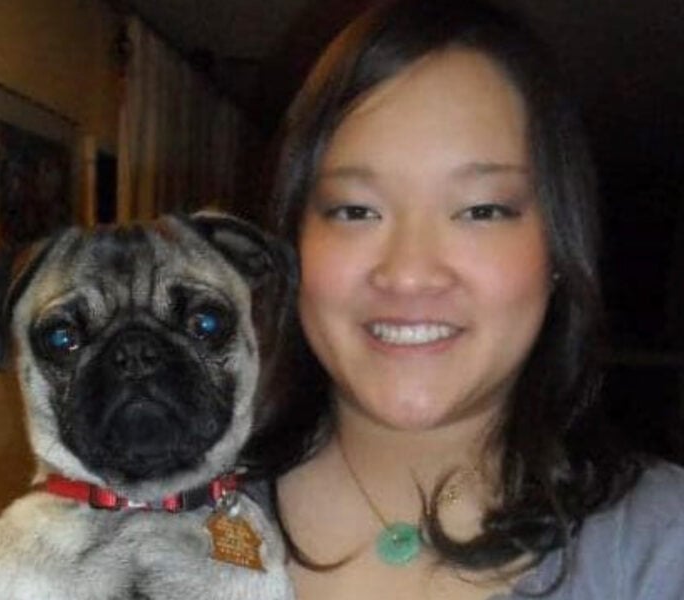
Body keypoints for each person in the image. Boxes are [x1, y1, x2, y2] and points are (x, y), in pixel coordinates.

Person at [243, 0, 684, 598]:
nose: (409, 273)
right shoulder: (147, 524)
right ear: (292, 242)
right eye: (355, 210)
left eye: (481, 210)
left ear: (556, 247)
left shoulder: (662, 546)